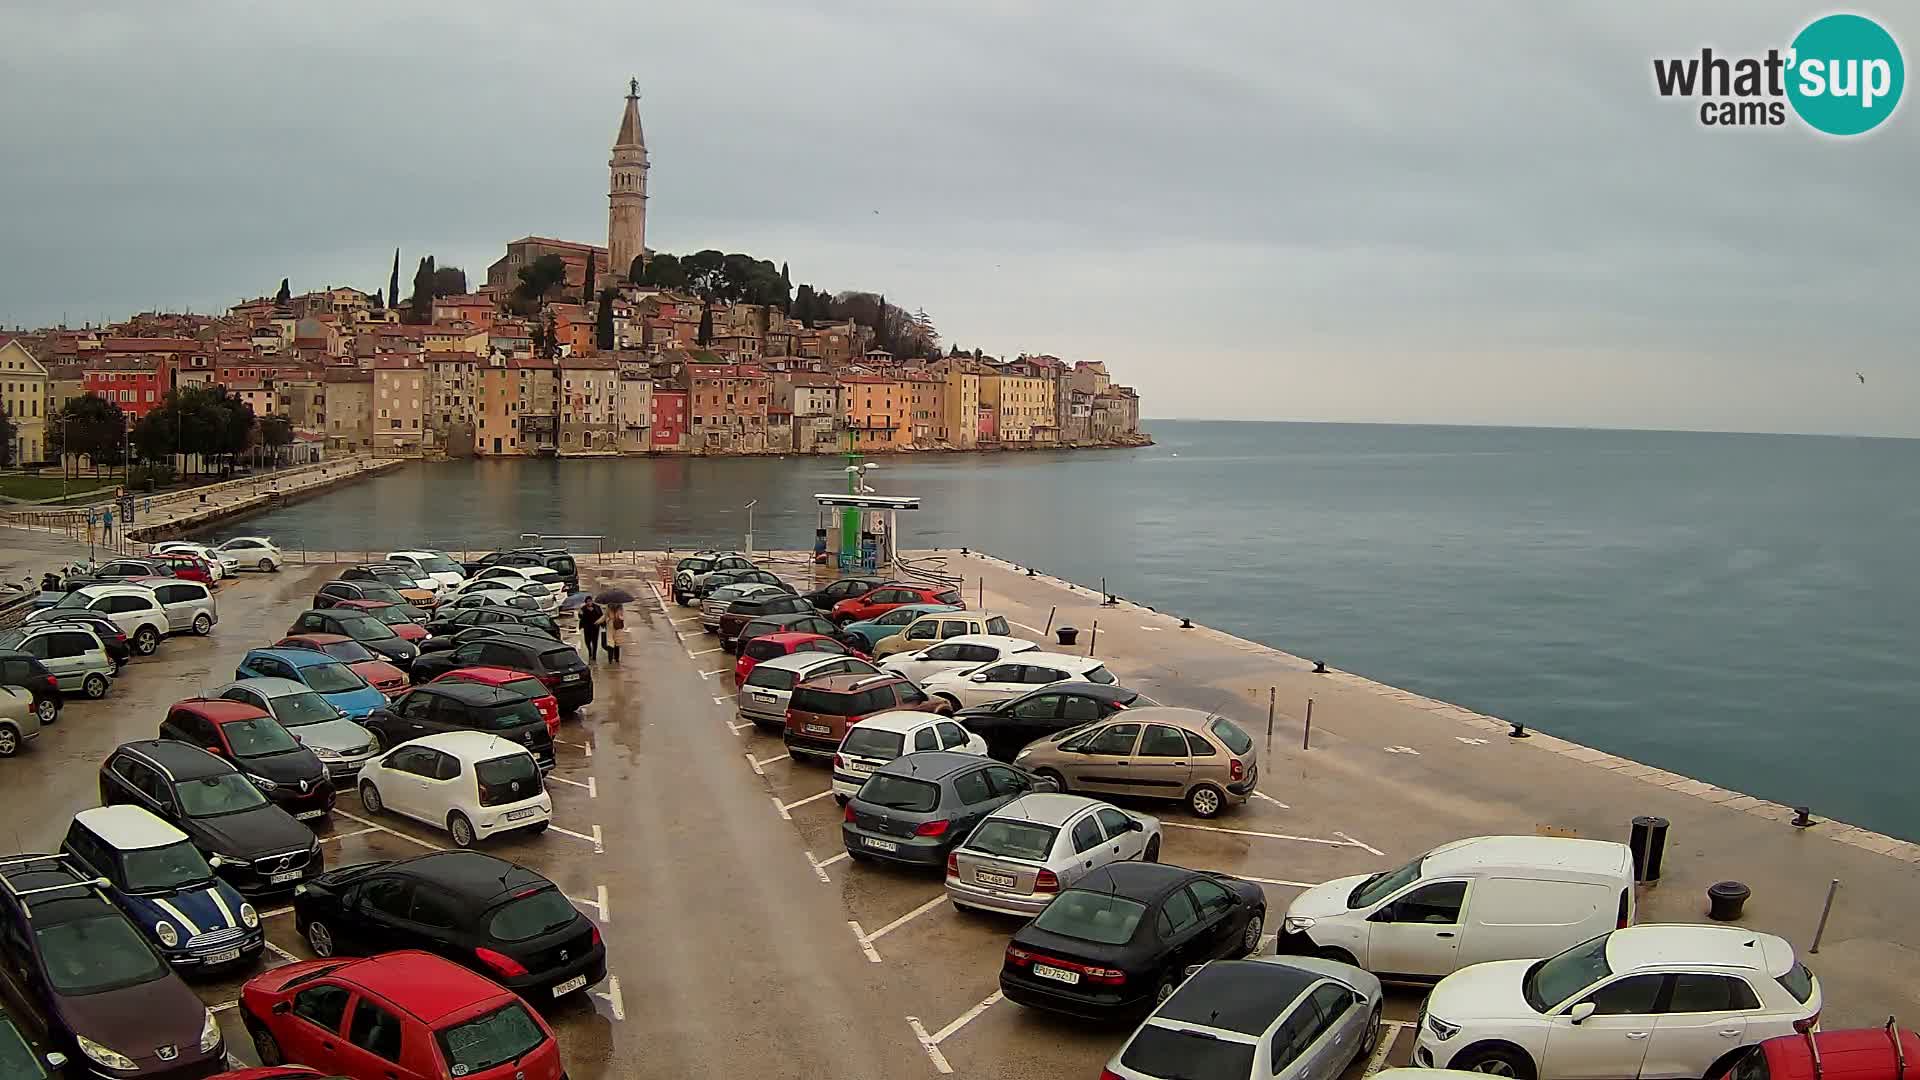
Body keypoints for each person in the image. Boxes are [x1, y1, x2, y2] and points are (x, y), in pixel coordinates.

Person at [579, 598, 604, 663]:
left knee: (595, 642)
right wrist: (580, 613)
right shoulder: (583, 608)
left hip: (595, 627)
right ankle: (590, 651)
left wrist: (602, 624)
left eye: (590, 601)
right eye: (587, 601)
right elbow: (580, 617)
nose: (589, 602)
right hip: (587, 627)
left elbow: (601, 616)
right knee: (587, 641)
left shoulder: (597, 607)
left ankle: (594, 655)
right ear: (586, 602)